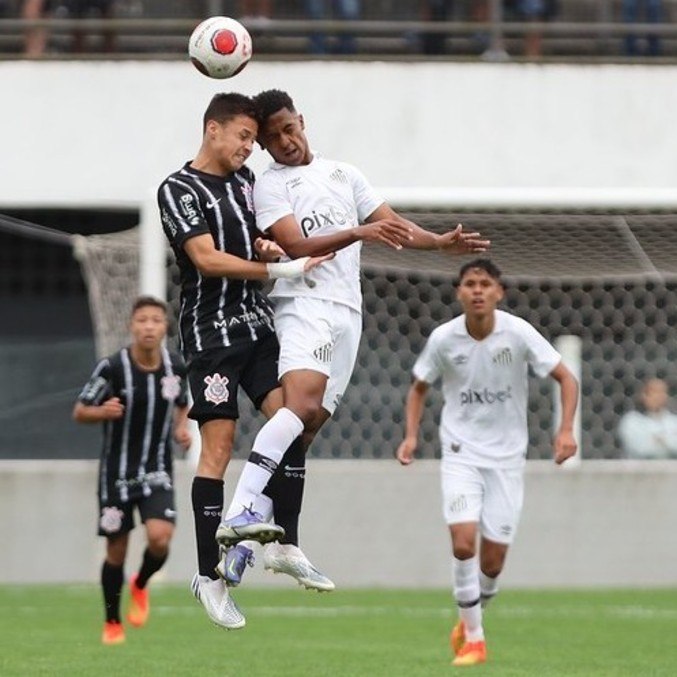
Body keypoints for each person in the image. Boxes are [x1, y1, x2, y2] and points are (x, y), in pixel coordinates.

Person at [215, 88, 490, 581]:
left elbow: (392, 224)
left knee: (307, 427)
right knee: (296, 408)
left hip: (347, 313)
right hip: (304, 303)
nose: (285, 142)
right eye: (273, 138)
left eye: (289, 129)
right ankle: (238, 512)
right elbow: (296, 243)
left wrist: (437, 243)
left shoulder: (345, 173)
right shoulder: (271, 184)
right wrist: (357, 233)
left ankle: (272, 540)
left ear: (302, 120)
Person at [157, 92, 335, 630]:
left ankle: (286, 544)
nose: (248, 148)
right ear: (213, 130)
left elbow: (248, 241)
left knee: (295, 419)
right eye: (242, 137)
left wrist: (267, 251)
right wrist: (278, 273)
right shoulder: (178, 188)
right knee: (219, 444)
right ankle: (209, 578)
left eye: (252, 142)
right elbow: (207, 260)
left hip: (257, 324)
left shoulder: (245, 182)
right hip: (210, 334)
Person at [395, 258, 578, 667]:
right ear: (459, 292)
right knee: (463, 543)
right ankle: (475, 639)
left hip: (508, 459)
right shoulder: (444, 338)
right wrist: (411, 435)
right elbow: (418, 386)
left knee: (492, 563)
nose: (477, 290)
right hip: (460, 453)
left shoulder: (518, 333)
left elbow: (568, 378)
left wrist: (566, 430)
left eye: (485, 284)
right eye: (470, 284)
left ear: (499, 292)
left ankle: (470, 614)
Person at [72, 295, 192, 645]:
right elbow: (79, 410)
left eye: (156, 320)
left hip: (156, 470)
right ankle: (112, 621)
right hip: (116, 476)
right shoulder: (112, 367)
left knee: (160, 537)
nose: (149, 327)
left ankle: (140, 583)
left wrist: (181, 428)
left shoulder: (175, 367)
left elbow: (182, 403)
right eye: (142, 320)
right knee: (116, 551)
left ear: (164, 326)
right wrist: (100, 412)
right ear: (132, 326)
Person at [617, 378, 677, 459]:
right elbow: (639, 448)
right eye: (653, 392)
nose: (657, 397)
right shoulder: (631, 421)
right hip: (639, 470)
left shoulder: (674, 422)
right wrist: (666, 440)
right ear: (644, 395)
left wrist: (656, 439)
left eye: (661, 393)